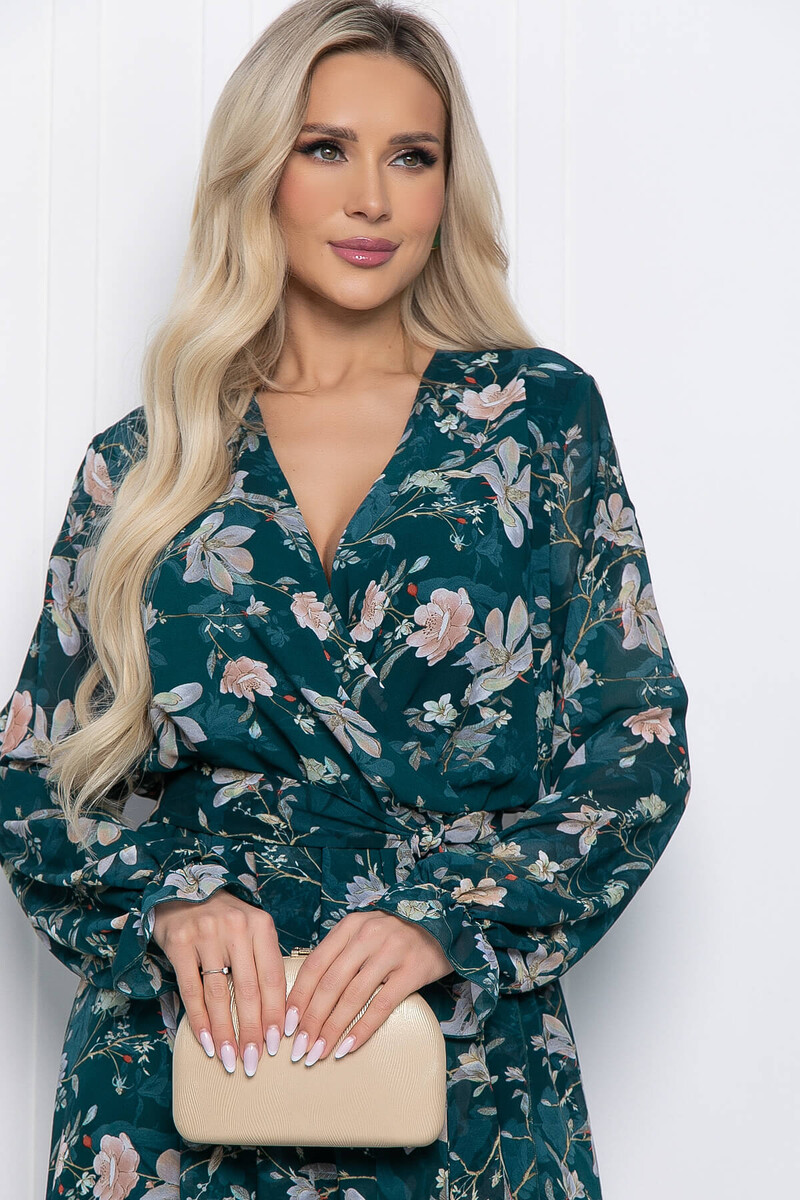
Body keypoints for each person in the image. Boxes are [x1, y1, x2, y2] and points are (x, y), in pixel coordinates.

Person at [0, 2, 691, 1197]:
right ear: (258, 173)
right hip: (180, 1087)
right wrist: (172, 903)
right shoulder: (146, 462)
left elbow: (632, 748)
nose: (370, 198)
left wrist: (445, 916)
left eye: (410, 157)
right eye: (325, 148)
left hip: (462, 1075)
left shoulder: (533, 421)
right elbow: (33, 776)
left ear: (444, 189)